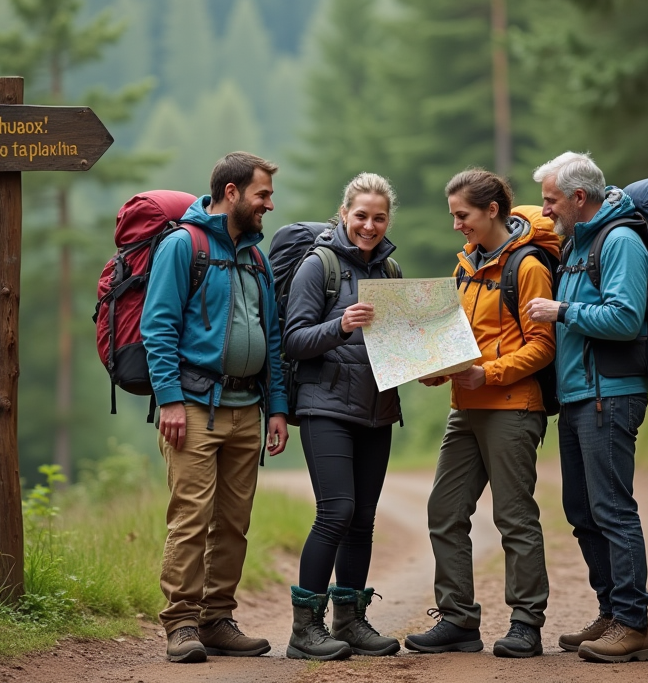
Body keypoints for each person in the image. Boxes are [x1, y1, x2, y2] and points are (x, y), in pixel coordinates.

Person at [140, 152, 290, 664]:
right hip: (194, 407)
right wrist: (170, 400)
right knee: (191, 517)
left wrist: (277, 407)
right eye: (262, 195)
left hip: (248, 407)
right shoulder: (184, 245)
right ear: (232, 193)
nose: (269, 204)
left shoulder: (257, 257)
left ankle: (217, 618)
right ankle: (181, 622)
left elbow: (270, 335)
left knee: (233, 521)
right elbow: (157, 327)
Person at [404, 169, 557, 659]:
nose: (456, 225)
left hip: (513, 408)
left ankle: (526, 623)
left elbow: (543, 348)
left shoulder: (528, 266)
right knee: (444, 511)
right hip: (464, 408)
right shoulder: (464, 269)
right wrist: (432, 368)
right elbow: (457, 344)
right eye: (453, 215)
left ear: (493, 210)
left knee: (513, 517)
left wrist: (487, 375)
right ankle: (458, 620)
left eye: (462, 215)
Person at [524, 151, 648, 663]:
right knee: (580, 510)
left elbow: (625, 319)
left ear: (580, 198)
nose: (545, 208)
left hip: (611, 396)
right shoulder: (577, 243)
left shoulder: (619, 241)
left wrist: (563, 310)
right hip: (580, 396)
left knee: (612, 510)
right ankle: (610, 612)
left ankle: (633, 623)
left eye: (551, 199)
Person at [281, 172, 404, 661]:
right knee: (337, 511)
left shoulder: (392, 271)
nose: (369, 226)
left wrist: (429, 361)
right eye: (360, 216)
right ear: (344, 213)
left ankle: (350, 622)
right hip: (324, 406)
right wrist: (341, 324)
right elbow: (293, 340)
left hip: (378, 409)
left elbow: (397, 346)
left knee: (364, 520)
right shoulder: (320, 266)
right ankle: (304, 630)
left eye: (378, 217)